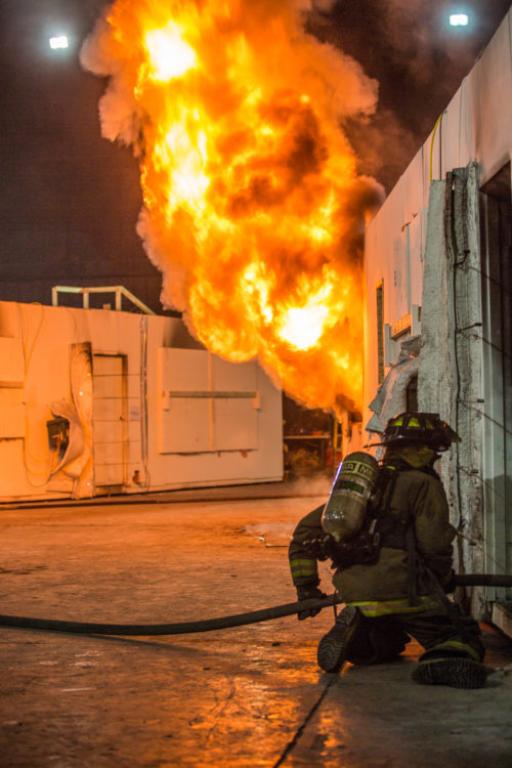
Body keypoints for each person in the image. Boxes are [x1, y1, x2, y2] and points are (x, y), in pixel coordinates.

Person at [289, 412, 487, 688]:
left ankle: (361, 636)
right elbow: (434, 543)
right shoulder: (423, 484)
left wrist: (307, 589)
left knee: (390, 638)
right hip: (404, 587)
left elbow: (303, 533)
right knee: (460, 635)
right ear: (418, 450)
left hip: (356, 592)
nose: (434, 458)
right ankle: (444, 659)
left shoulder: (361, 488)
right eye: (432, 451)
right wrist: (440, 583)